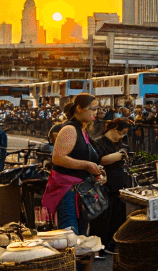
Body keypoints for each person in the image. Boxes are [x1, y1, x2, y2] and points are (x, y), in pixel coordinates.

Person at [45, 95, 104, 233]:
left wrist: (96, 169)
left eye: (97, 109)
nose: (95, 112)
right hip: (67, 190)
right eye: (92, 108)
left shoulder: (82, 131)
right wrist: (86, 165)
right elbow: (58, 158)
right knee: (70, 234)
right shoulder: (70, 130)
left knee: (81, 234)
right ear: (79, 108)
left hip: (80, 190)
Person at [90, 118, 132, 256]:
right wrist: (119, 156)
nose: (121, 137)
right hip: (104, 186)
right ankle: (100, 246)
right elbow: (100, 160)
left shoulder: (119, 143)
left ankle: (112, 245)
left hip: (119, 185)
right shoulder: (99, 143)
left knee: (117, 216)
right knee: (103, 217)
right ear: (113, 129)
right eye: (121, 133)